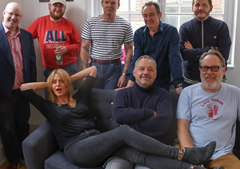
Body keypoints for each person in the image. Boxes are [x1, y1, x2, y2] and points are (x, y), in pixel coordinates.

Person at [20, 66, 217, 169]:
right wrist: (51, 81)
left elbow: (92, 71)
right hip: (77, 149)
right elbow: (24, 89)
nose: (58, 85)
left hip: (96, 141)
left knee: (139, 155)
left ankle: (193, 167)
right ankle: (184, 153)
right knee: (123, 132)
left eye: (60, 82)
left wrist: (66, 78)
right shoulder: (49, 106)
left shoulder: (79, 97)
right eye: (54, 83)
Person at [0, 2, 37, 169]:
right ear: (3, 13)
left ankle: (24, 155)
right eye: (11, 14)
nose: (13, 18)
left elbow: (32, 62)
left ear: (21, 17)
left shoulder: (27, 36)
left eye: (17, 15)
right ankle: (13, 159)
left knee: (23, 124)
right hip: (1, 92)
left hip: (23, 90)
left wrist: (32, 86)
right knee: (7, 128)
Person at [106, 55, 173, 169]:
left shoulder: (163, 95)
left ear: (155, 74)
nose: (146, 72)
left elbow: (162, 125)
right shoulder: (123, 93)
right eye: (141, 69)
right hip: (125, 149)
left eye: (150, 69)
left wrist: (128, 128)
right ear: (134, 72)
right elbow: (119, 116)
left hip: (152, 150)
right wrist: (149, 113)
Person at [177, 49, 240, 169]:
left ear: (224, 70)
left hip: (222, 155)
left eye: (214, 68)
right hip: (191, 149)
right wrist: (192, 156)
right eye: (205, 68)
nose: (209, 72)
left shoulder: (235, 93)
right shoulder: (187, 93)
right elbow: (182, 127)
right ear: (200, 70)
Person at [125, 1, 183, 94]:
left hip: (162, 81)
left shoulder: (171, 31)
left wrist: (178, 84)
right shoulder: (139, 34)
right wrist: (129, 84)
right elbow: (137, 59)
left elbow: (174, 58)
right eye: (145, 15)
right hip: (143, 81)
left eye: (151, 15)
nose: (148, 18)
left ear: (159, 15)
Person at [80, 0, 134, 89]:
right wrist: (84, 72)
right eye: (106, 2)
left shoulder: (125, 25)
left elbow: (129, 51)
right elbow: (84, 48)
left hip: (114, 68)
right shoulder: (90, 23)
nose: (109, 5)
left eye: (113, 3)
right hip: (94, 67)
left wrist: (125, 74)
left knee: (110, 99)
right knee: (93, 99)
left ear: (118, 5)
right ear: (102, 4)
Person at [27, 0, 80, 90]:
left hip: (69, 69)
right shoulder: (40, 22)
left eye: (61, 6)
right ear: (49, 6)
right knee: (51, 100)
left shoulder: (70, 25)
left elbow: (78, 46)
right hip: (50, 70)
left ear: (65, 8)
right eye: (55, 5)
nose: (58, 8)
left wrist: (66, 49)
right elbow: (25, 38)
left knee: (70, 99)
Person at [179, 0, 231, 88]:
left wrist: (193, 51)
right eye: (197, 5)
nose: (200, 8)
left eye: (204, 5)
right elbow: (184, 54)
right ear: (192, 8)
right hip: (191, 80)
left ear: (211, 7)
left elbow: (223, 56)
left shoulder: (221, 27)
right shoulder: (185, 28)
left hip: (216, 78)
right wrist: (213, 49)